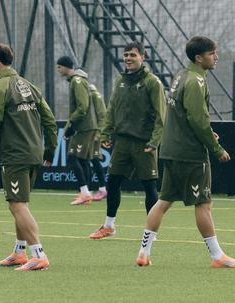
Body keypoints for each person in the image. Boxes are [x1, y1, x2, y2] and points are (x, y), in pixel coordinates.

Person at [135, 37, 235, 268]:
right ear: (199, 57)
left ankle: (143, 252)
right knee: (203, 204)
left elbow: (188, 117)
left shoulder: (180, 76)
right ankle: (217, 256)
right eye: (212, 53)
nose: (216, 57)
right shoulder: (196, 81)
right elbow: (197, 119)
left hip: (171, 149)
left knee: (163, 201)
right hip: (190, 153)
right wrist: (216, 148)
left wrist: (207, 132)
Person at [0, 44, 57, 271]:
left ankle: (38, 254)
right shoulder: (29, 86)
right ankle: (20, 252)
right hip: (33, 153)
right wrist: (49, 150)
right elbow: (49, 120)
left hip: (15, 155)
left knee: (16, 205)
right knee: (21, 203)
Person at [88, 42, 165, 240]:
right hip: (121, 143)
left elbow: (161, 116)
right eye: (126, 55)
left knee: (150, 187)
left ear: (143, 57)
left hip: (144, 143)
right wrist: (105, 133)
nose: (128, 58)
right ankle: (109, 226)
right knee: (112, 182)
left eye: (132, 55)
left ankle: (151, 232)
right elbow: (112, 108)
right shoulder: (120, 81)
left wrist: (154, 141)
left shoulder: (152, 82)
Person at [56, 56, 97, 206]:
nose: (58, 69)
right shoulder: (77, 80)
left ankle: (85, 193)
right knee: (83, 160)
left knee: (73, 157)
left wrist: (71, 125)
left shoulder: (77, 81)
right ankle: (86, 193)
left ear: (66, 67)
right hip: (87, 126)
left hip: (83, 127)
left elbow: (82, 107)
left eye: (59, 66)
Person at [87, 81, 108, 200]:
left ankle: (102, 189)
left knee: (94, 159)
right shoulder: (91, 94)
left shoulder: (94, 95)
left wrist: (99, 133)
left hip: (94, 132)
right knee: (90, 160)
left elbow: (102, 115)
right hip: (91, 132)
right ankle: (88, 190)